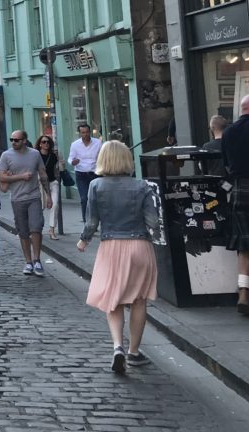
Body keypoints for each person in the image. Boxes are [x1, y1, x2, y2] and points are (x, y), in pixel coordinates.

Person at [77, 140, 161, 372]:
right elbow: (153, 222)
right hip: (139, 246)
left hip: (111, 246)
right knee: (139, 299)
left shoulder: (95, 186)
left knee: (112, 298)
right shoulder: (143, 186)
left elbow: (92, 221)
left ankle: (117, 346)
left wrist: (84, 240)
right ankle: (134, 351)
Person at [0, 130, 52, 276]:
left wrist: (48, 196)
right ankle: (28, 262)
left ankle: (37, 260)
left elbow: (43, 174)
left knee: (36, 228)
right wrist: (20, 176)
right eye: (12, 139)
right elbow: (2, 178)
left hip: (34, 197)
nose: (13, 142)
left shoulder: (35, 154)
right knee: (23, 232)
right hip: (17, 198)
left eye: (16, 140)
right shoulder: (6, 155)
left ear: (24, 140)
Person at [221, 95, 249, 316]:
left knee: (244, 245)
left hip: (241, 189)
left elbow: (226, 164)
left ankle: (243, 292)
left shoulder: (229, 132)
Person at [69, 123, 102, 222]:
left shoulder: (97, 143)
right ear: (80, 133)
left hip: (95, 173)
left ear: (90, 132)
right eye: (83, 132)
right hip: (81, 174)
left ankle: (95, 220)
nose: (85, 134)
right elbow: (70, 158)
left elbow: (102, 156)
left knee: (95, 199)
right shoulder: (75, 145)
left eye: (87, 132)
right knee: (84, 199)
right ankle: (87, 221)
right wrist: (73, 162)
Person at [36, 135, 61, 240]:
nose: (46, 144)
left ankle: (52, 230)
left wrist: (57, 178)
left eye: (48, 142)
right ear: (40, 144)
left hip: (52, 182)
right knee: (39, 207)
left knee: (54, 205)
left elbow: (57, 168)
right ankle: (36, 229)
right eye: (44, 142)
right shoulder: (36, 155)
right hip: (40, 184)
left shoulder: (54, 156)